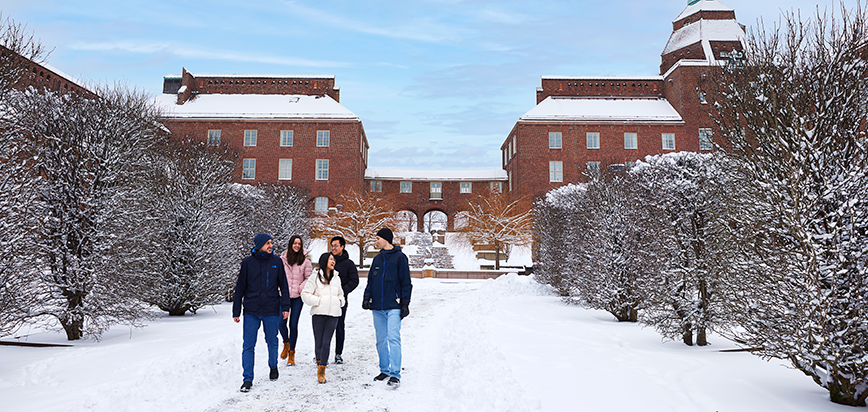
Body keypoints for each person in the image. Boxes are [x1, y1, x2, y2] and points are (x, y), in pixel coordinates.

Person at [233, 233, 290, 393]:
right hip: (251, 309)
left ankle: (273, 366)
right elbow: (240, 288)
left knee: (272, 340)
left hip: (271, 309)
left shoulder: (277, 262)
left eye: (271, 243)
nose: (271, 245)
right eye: (268, 243)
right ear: (259, 245)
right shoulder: (247, 263)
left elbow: (284, 286)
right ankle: (247, 379)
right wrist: (236, 309)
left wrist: (285, 307)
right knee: (248, 345)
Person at [362, 228, 412, 388]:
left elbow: (406, 282)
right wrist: (366, 296)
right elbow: (371, 280)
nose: (376, 241)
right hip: (377, 307)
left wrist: (405, 303)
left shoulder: (400, 258)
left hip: (394, 306)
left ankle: (395, 374)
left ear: (386, 239)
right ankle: (385, 369)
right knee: (381, 341)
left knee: (393, 338)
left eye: (377, 238)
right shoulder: (377, 259)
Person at [301, 252, 345, 384]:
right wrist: (318, 301)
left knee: (327, 342)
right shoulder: (315, 277)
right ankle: (319, 360)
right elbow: (305, 294)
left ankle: (322, 371)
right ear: (324, 261)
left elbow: (341, 294)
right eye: (331, 259)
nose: (333, 261)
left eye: (334, 259)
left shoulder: (337, 277)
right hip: (319, 314)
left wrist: (340, 302)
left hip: (333, 315)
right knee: (318, 343)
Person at [279, 235, 312, 366]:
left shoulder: (305, 261)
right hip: (284, 296)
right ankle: (286, 343)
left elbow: (309, 278)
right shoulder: (282, 260)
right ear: (290, 244)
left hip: (298, 297)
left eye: (299, 243)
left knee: (293, 324)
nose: (297, 245)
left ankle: (292, 353)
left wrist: (299, 288)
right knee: (281, 323)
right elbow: (278, 276)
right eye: (294, 243)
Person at [329, 236, 359, 364]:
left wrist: (342, 291)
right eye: (332, 245)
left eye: (336, 245)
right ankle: (321, 353)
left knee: (339, 326)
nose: (333, 248)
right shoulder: (327, 260)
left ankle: (338, 353)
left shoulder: (349, 264)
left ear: (342, 247)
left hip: (340, 301)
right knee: (325, 327)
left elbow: (354, 281)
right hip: (325, 299)